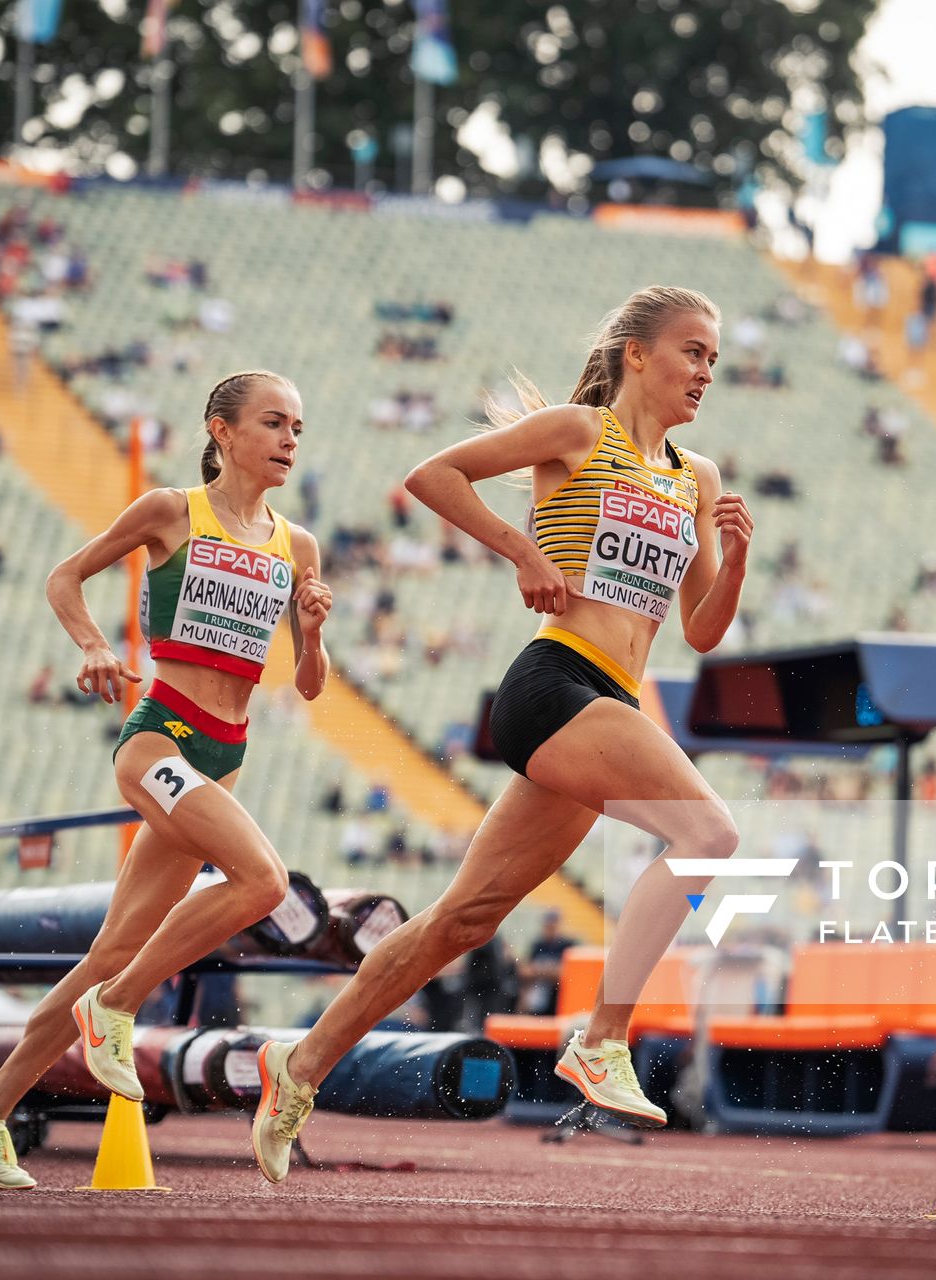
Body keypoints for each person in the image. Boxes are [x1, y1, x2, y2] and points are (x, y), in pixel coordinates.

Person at [248, 286, 752, 1182]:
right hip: (552, 681)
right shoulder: (578, 432)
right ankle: (604, 1038)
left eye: (714, 357)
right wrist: (522, 552)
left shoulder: (696, 477)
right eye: (691, 351)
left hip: (611, 701)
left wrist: (736, 558)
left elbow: (703, 630)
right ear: (637, 354)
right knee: (710, 833)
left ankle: (298, 1067)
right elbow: (433, 476)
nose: (705, 371)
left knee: (462, 922)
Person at [0, 371, 332, 1190]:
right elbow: (65, 576)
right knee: (262, 882)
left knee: (107, 954)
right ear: (222, 432)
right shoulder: (169, 511)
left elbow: (307, 685)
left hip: (225, 755)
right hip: (158, 738)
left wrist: (311, 632)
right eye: (274, 423)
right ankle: (116, 1008)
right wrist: (93, 645)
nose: (291, 439)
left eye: (298, 426)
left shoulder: (297, 546)